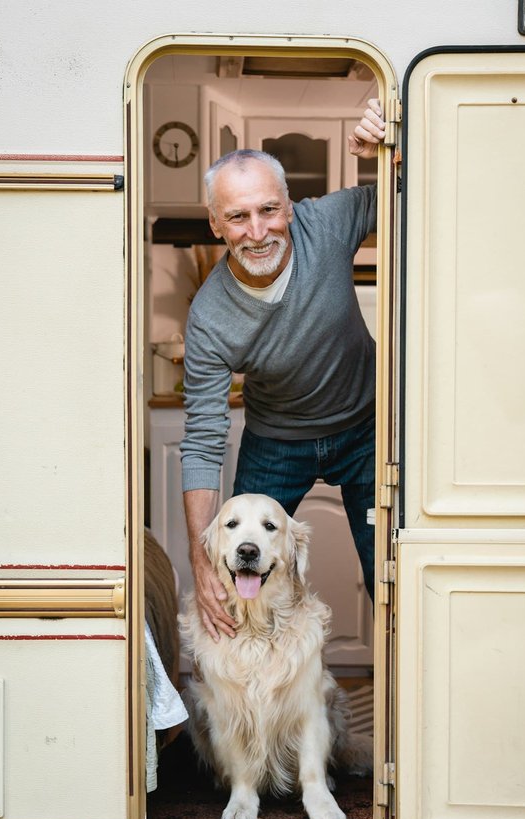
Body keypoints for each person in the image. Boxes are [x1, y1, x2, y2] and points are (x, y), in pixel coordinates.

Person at [180, 99, 386, 640]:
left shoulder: (330, 221)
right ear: (215, 224)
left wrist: (391, 150)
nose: (257, 230)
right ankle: (253, 718)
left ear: (290, 207)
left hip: (369, 429)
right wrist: (201, 560)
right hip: (275, 444)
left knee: (390, 577)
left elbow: (416, 194)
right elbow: (202, 441)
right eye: (237, 216)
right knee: (233, 586)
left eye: (268, 210)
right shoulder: (208, 316)